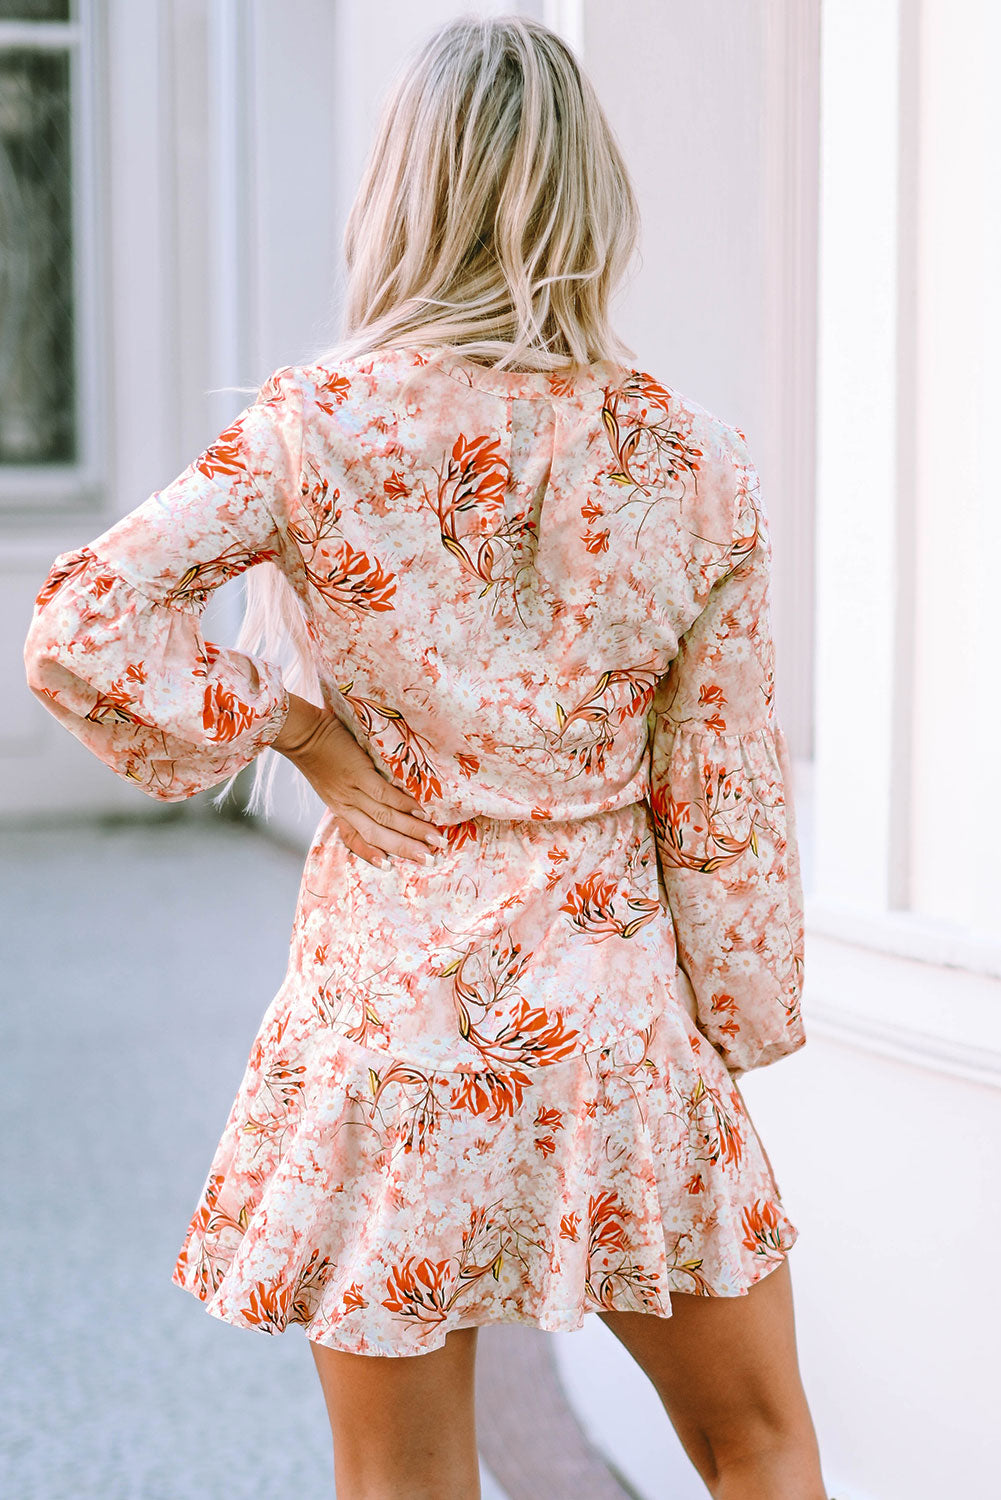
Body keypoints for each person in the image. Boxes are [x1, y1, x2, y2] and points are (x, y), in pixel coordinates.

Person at [22, 14, 828, 1500]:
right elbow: (725, 801)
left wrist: (295, 727)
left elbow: (83, 623)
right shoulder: (691, 459)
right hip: (614, 1018)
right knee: (755, 1439)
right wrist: (737, 1024)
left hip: (387, 1014)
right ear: (591, 198)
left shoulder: (315, 429)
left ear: (400, 191)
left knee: (406, 1482)